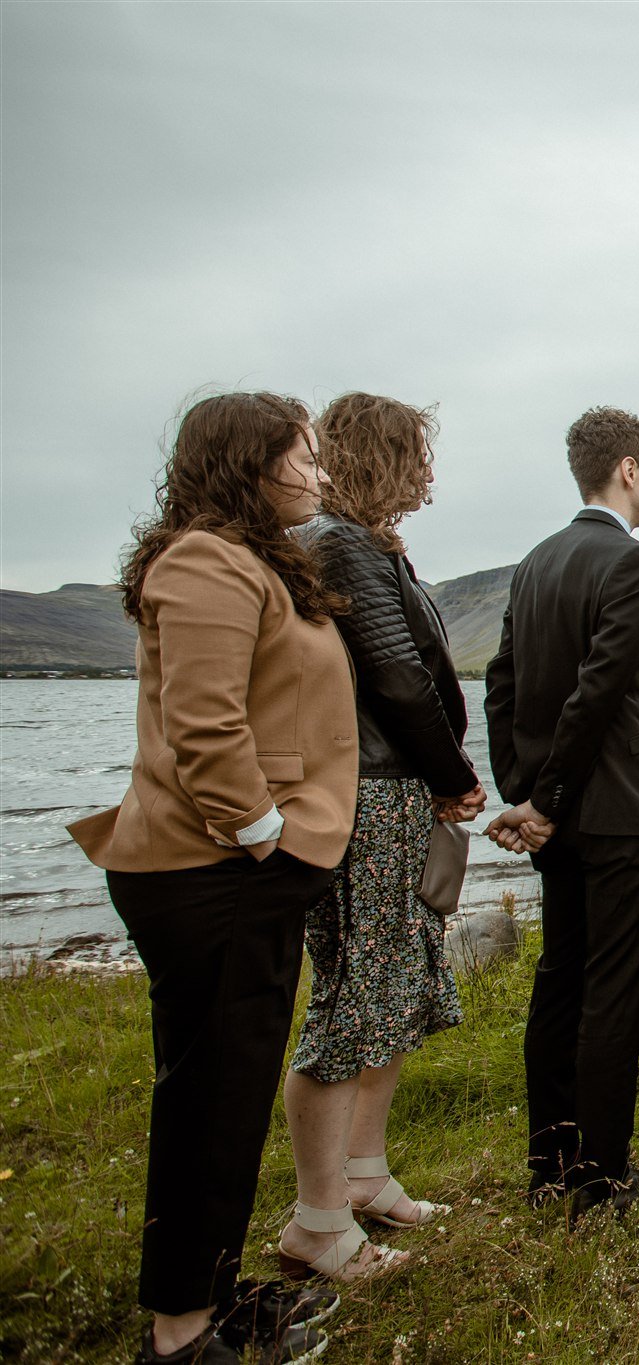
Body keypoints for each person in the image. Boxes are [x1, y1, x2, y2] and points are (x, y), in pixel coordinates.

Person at [69, 392, 349, 1364]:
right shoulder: (201, 560)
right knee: (208, 1103)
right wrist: (267, 833)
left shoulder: (259, 564)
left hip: (244, 870)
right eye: (304, 457)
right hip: (213, 871)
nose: (318, 473)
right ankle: (179, 1335)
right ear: (250, 464)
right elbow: (203, 723)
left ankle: (215, 1297)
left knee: (230, 1098)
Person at [276, 394, 486, 1281]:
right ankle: (317, 1218)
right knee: (358, 995)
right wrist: (455, 777)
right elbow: (397, 678)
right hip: (372, 793)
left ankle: (364, 1175)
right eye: (418, 456)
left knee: (399, 983)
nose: (431, 475)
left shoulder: (367, 542)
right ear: (382, 457)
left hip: (395, 789)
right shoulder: (341, 543)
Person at [482, 407, 639, 1225]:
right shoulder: (635, 565)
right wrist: (544, 797)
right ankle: (603, 1180)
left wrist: (525, 789)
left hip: (559, 816)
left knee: (559, 980)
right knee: (614, 991)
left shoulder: (536, 561)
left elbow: (502, 683)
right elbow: (598, 695)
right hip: (620, 814)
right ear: (630, 470)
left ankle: (549, 1164)